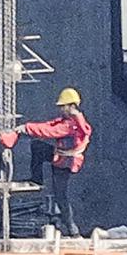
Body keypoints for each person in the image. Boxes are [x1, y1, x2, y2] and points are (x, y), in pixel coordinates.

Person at [13, 87, 92, 237]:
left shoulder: (72, 125)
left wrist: (27, 128)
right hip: (61, 157)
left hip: (66, 162)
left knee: (61, 196)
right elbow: (50, 125)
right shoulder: (70, 120)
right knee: (38, 147)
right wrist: (28, 128)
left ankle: (72, 230)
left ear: (72, 106)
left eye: (63, 106)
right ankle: (36, 179)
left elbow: (51, 132)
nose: (61, 109)